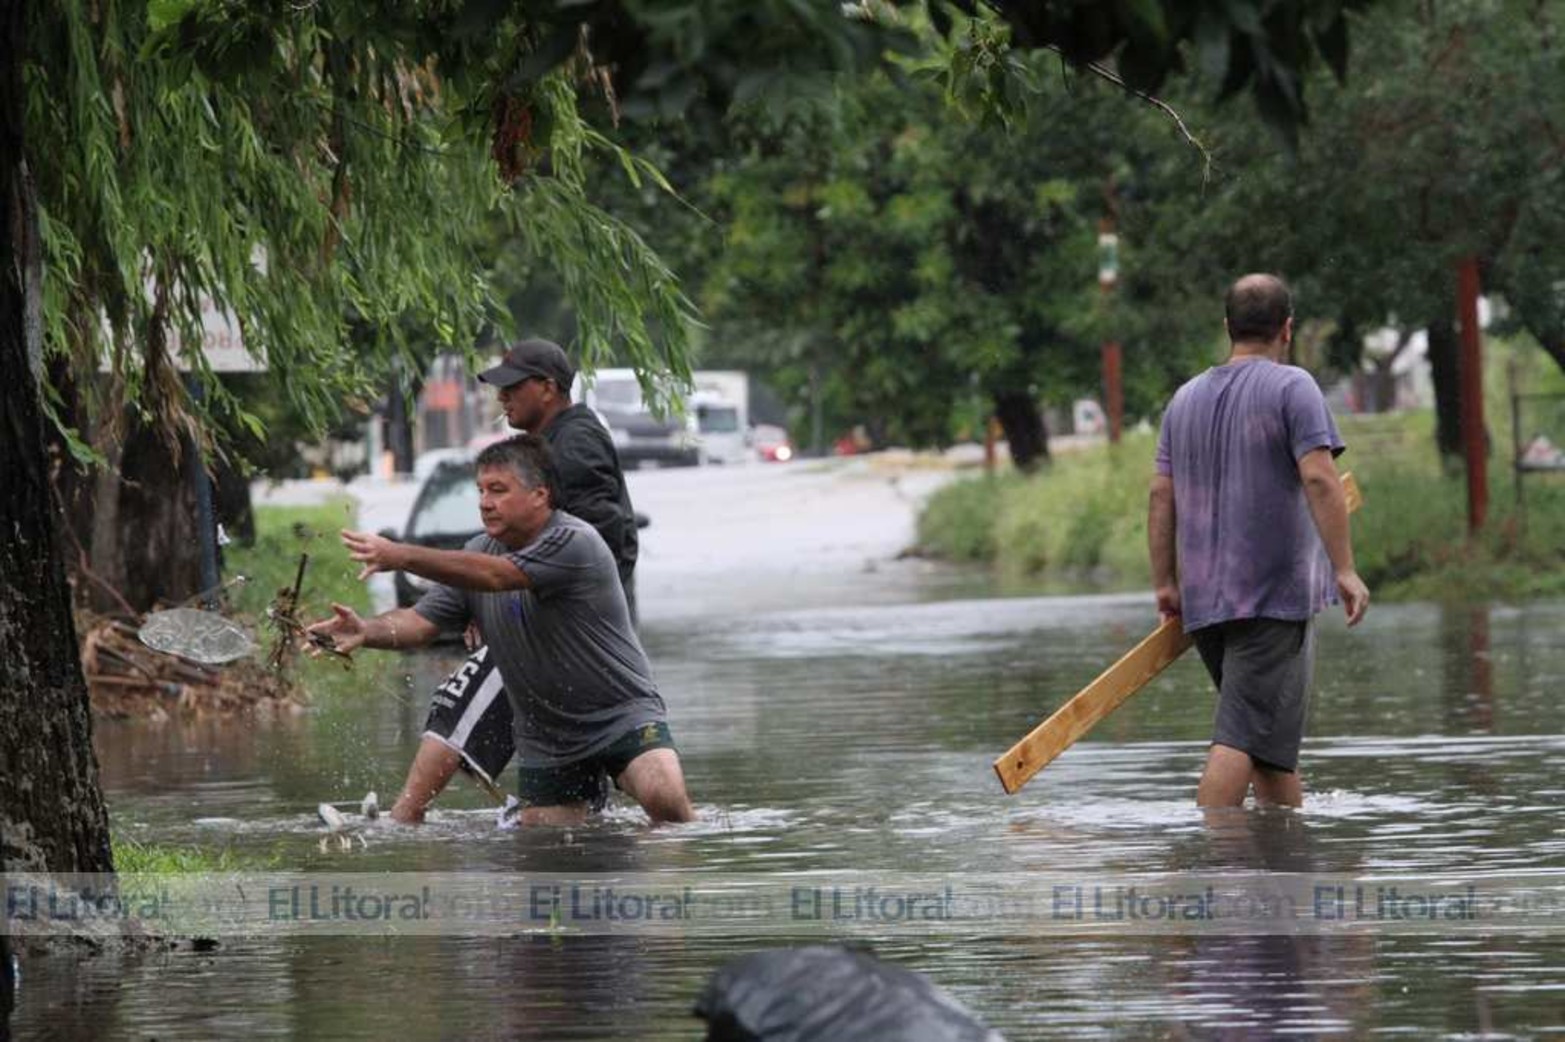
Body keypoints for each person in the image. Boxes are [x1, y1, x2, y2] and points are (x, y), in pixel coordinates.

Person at [308, 434, 694, 826]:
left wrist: (401, 554)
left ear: (540, 495)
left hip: (621, 715)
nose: (484, 502)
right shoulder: (479, 551)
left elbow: (499, 577)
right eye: (480, 490)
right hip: (549, 742)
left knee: (667, 802)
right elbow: (420, 623)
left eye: (498, 490)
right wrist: (365, 630)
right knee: (543, 850)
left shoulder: (573, 541)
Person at [393, 339, 643, 823]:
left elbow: (601, 539)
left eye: (512, 387)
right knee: (565, 772)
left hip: (558, 624)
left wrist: (520, 598)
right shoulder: (552, 444)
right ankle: (560, 823)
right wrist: (486, 597)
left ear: (548, 388)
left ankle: (401, 822)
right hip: (552, 620)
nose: (501, 398)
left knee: (457, 703)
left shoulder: (575, 444)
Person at [1147, 273, 1369, 809]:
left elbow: (1160, 497)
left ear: (1228, 327)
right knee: (1242, 738)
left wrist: (1165, 584)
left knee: (1268, 746)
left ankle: (1282, 863)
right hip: (1270, 597)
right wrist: (1344, 568)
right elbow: (1319, 477)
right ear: (1287, 329)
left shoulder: (1184, 399)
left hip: (1205, 604)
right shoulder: (1293, 386)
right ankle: (1214, 861)